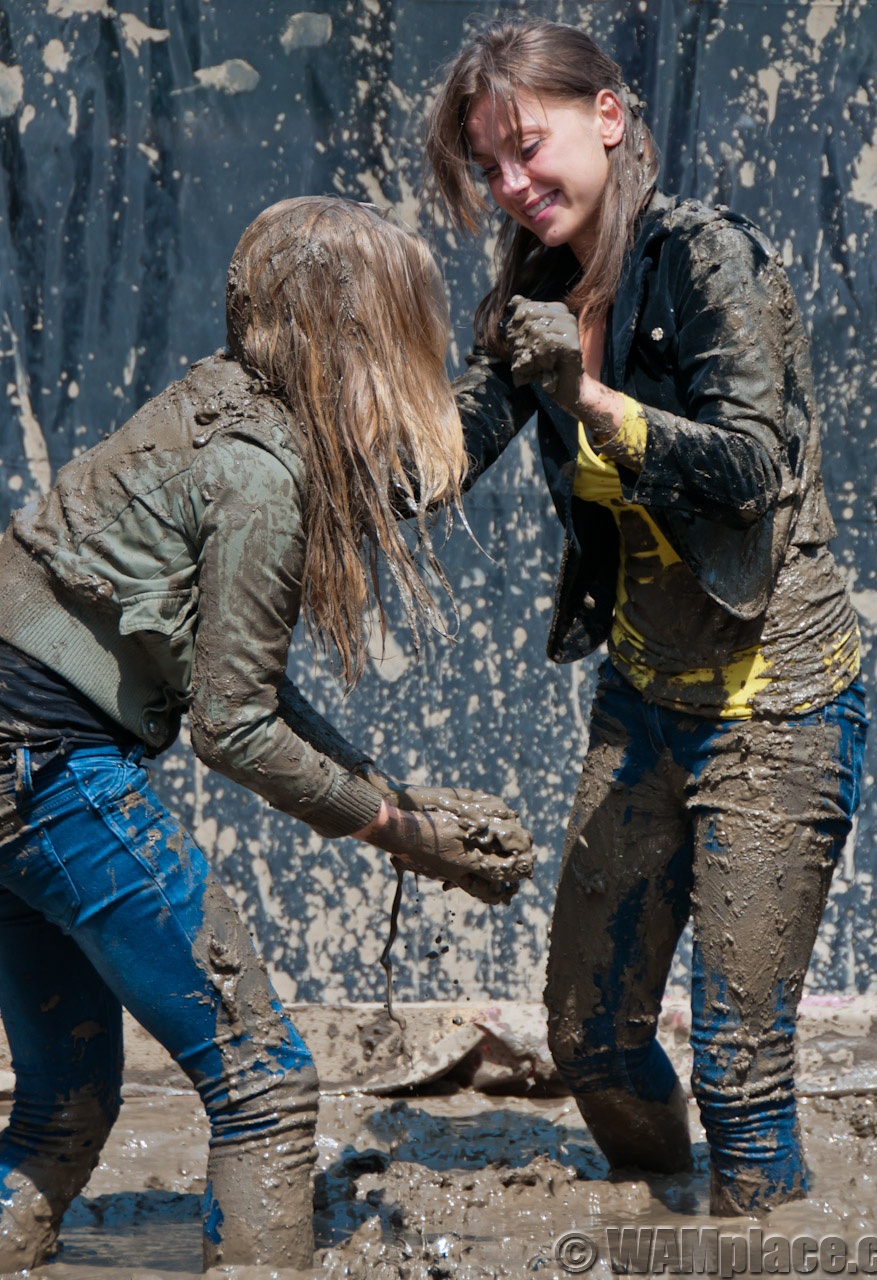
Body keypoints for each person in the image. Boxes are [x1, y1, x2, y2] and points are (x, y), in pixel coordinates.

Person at [0, 196, 533, 1272]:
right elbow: (234, 729)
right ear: (354, 348)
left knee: (66, 1098)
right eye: (408, 345)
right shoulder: (262, 469)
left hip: (20, 764)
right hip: (47, 772)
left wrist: (383, 789)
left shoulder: (212, 400)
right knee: (267, 1084)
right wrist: (399, 828)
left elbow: (231, 680)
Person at [424, 18, 867, 1215]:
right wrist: (324, 442)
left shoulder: (707, 257)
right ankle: (661, 1214)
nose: (513, 185)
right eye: (489, 167)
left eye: (528, 147)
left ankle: (764, 1229)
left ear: (610, 118)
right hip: (642, 697)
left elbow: (749, 467)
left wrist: (585, 392)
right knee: (589, 1039)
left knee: (739, 1071)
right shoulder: (534, 286)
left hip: (779, 703)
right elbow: (450, 450)